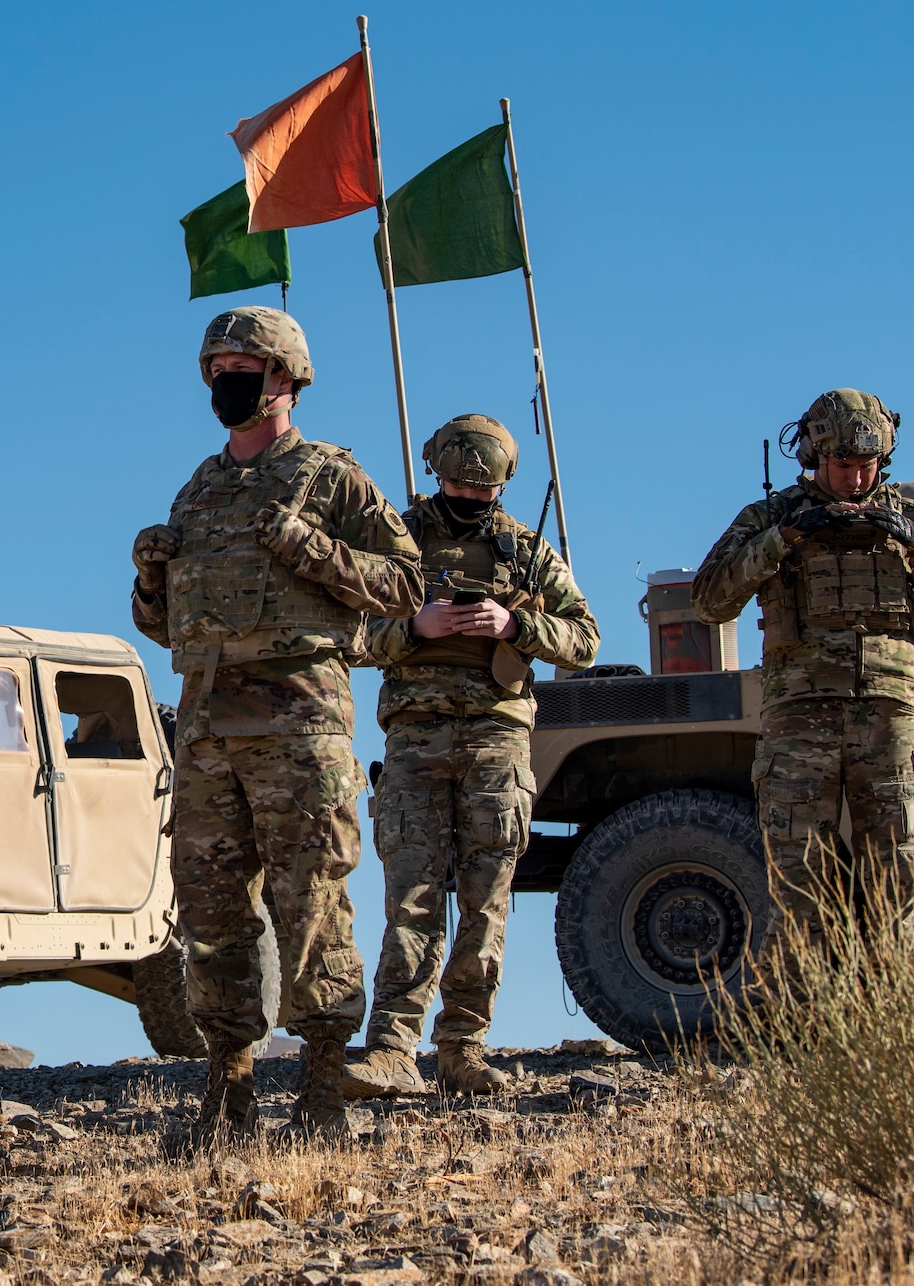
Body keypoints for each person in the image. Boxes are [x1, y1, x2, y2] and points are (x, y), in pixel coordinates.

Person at [130, 306, 423, 1141]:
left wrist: (312, 549)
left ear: (285, 379)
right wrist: (152, 575)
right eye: (216, 366)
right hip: (207, 730)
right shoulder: (201, 486)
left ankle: (324, 1091)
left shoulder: (331, 478)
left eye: (243, 365)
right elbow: (167, 626)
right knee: (212, 912)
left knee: (312, 904)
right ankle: (229, 1091)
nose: (226, 379)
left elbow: (406, 586)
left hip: (300, 724)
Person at [342, 416, 599, 1098]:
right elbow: (344, 632)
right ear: (436, 472)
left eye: (481, 488)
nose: (467, 496)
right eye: (457, 483)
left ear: (502, 484)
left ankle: (462, 1048)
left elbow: (585, 638)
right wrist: (414, 629)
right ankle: (393, 1050)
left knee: (486, 904)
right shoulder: (396, 540)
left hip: (496, 740)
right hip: (415, 739)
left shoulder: (527, 549)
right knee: (412, 899)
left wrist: (515, 625)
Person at [693, 389, 914, 955]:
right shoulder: (772, 517)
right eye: (843, 466)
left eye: (866, 466)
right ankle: (806, 1036)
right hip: (799, 721)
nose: (855, 480)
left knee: (897, 884)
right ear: (816, 458)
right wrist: (786, 538)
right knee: (801, 888)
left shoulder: (913, 520)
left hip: (889, 719)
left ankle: (895, 1037)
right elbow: (710, 600)